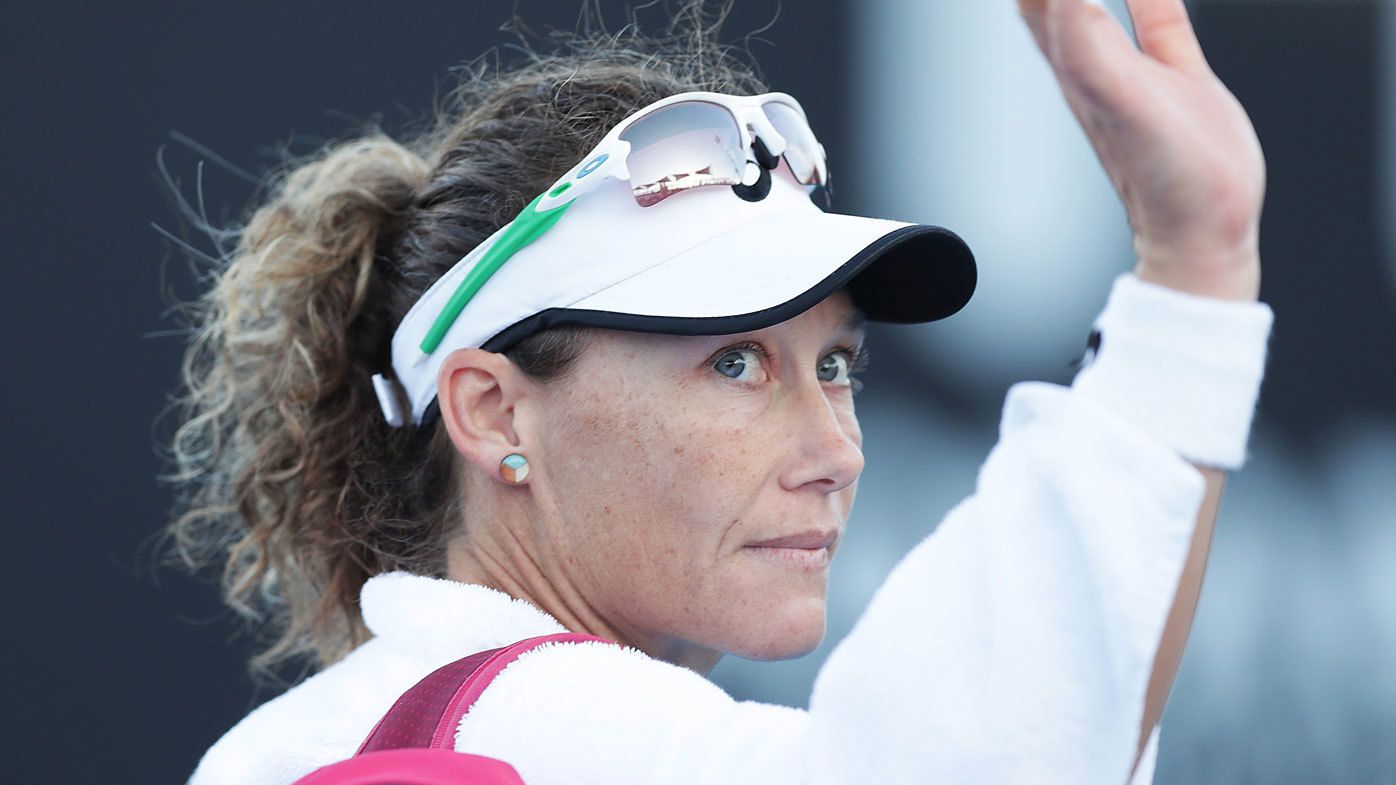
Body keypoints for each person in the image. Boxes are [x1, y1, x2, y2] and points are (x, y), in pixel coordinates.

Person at [163, 2, 1275, 783]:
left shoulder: (286, 749)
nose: (835, 446)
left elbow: (1052, 735)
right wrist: (1191, 273)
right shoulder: (551, 731)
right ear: (495, 412)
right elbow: (998, 756)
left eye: (835, 363)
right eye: (734, 362)